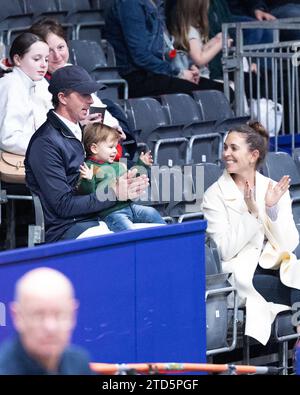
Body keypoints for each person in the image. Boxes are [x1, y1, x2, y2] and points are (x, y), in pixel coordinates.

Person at [25, 65, 149, 243]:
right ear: (62, 98)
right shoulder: (45, 143)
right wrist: (113, 193)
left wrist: (127, 185)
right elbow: (63, 206)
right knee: (136, 244)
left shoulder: (81, 131)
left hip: (99, 218)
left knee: (160, 233)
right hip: (69, 229)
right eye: (84, 95)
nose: (91, 101)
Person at [202, 121, 300, 345]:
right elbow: (224, 251)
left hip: (277, 267)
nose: (226, 153)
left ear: (253, 155)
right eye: (225, 147)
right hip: (243, 275)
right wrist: (253, 214)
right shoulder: (214, 195)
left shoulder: (273, 189)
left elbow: (289, 243)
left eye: (233, 148)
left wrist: (271, 209)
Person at [28, 17, 137, 161]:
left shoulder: (72, 71)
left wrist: (115, 130)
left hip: (103, 149)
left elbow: (100, 109)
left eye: (61, 47)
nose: (57, 56)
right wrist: (80, 126)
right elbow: (45, 132)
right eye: (49, 51)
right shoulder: (35, 85)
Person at [105, 0, 229, 98]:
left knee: (224, 91)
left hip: (159, 74)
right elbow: (141, 57)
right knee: (210, 96)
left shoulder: (157, 5)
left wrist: (187, 66)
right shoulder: (130, 4)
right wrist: (178, 73)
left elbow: (167, 51)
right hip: (137, 78)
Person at [0, 267, 91, 375]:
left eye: (59, 315)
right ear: (17, 317)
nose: (50, 327)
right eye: (38, 316)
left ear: (73, 315)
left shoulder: (79, 363)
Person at [78, 123, 166, 232]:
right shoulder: (89, 168)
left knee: (151, 212)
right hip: (111, 213)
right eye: (111, 147)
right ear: (94, 148)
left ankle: (170, 240)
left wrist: (141, 164)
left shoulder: (117, 165)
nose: (115, 151)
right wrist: (87, 180)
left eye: (116, 147)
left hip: (130, 207)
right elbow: (87, 195)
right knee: (128, 231)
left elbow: (131, 179)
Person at [0, 32, 52, 155]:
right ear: (17, 59)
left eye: (46, 59)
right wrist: (51, 145)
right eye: (36, 59)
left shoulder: (39, 82)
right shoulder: (11, 85)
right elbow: (9, 139)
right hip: (17, 162)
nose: (44, 64)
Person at [166, 0, 232, 81]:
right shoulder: (191, 33)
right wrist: (221, 44)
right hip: (199, 78)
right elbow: (199, 59)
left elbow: (199, 51)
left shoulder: (189, 30)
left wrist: (215, 41)